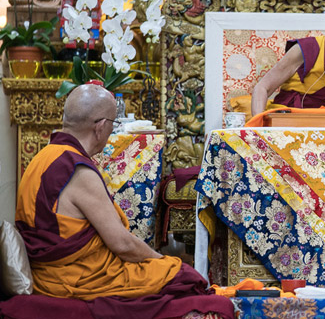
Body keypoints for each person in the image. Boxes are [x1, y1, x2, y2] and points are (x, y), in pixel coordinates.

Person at [15, 84, 207, 301]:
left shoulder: (42, 157)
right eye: (113, 124)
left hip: (46, 273)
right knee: (185, 278)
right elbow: (122, 245)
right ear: (101, 126)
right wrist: (160, 260)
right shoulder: (77, 170)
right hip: (78, 279)